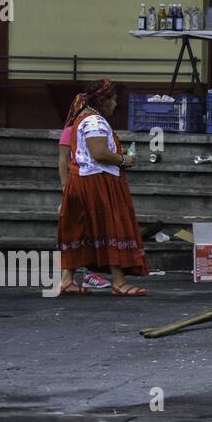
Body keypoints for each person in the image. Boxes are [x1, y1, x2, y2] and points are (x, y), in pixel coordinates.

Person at [56, 79, 149, 295]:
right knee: (112, 227)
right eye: (113, 100)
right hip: (97, 182)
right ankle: (119, 282)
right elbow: (98, 153)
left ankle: (67, 280)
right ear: (103, 100)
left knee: (80, 229)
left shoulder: (81, 118)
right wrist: (124, 160)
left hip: (82, 180)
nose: (115, 105)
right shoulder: (94, 121)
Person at [57, 120, 111, 292]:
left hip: (93, 184)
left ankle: (89, 273)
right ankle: (69, 278)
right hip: (77, 184)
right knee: (76, 230)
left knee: (93, 229)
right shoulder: (70, 131)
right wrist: (65, 186)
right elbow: (63, 159)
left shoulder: (97, 127)